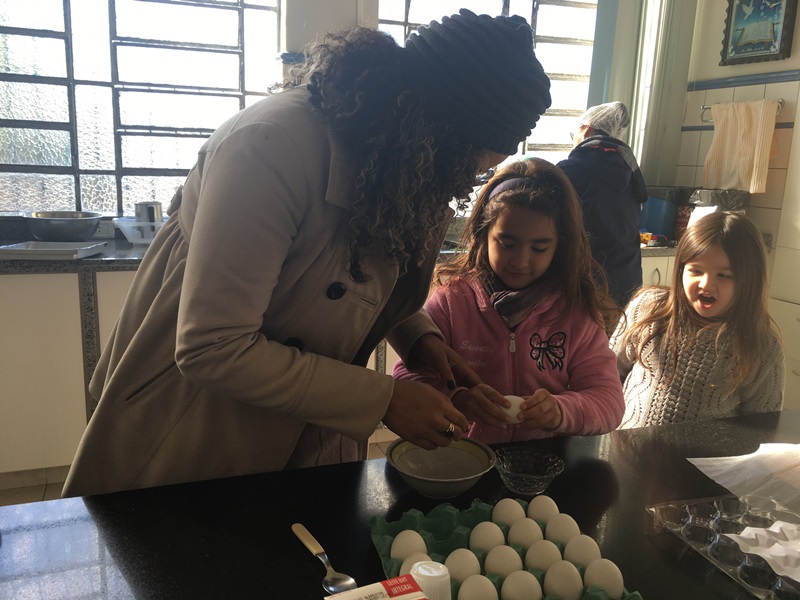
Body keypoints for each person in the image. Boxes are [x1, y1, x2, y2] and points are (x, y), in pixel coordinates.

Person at [62, 10, 552, 497]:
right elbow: (212, 346)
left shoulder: (399, 152)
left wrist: (420, 338)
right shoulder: (271, 144)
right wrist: (384, 399)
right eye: (466, 161)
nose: (464, 179)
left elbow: (363, 271)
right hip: (192, 418)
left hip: (308, 414)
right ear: (432, 124)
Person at [392, 159, 625, 444]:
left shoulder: (575, 311)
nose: (521, 261)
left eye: (539, 248)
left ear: (560, 246)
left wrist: (561, 410)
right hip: (467, 456)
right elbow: (408, 376)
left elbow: (609, 401)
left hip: (546, 461)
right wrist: (457, 398)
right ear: (483, 235)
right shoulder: (451, 302)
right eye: (507, 244)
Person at [610, 211, 785, 428]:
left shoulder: (761, 346)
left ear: (750, 280)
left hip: (704, 452)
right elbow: (606, 371)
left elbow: (763, 427)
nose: (706, 284)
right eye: (696, 270)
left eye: (724, 275)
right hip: (623, 446)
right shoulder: (649, 308)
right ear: (681, 269)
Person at [557, 101, 648, 308]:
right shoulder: (631, 173)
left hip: (588, 285)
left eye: (574, 134)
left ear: (586, 129)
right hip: (628, 284)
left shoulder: (571, 171)